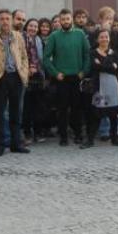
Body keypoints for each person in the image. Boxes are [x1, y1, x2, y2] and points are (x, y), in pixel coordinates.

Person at [0, 9, 30, 156]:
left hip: (16, 77)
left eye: (7, 19)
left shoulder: (18, 37)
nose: (5, 21)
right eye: (2, 19)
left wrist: (24, 72)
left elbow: (24, 57)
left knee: (16, 112)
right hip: (0, 78)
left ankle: (16, 143)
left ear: (11, 20)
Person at [43, 9, 91, 146]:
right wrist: (55, 73)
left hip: (77, 77)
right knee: (62, 109)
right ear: (60, 20)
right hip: (61, 78)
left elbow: (87, 55)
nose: (65, 21)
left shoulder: (80, 34)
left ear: (72, 19)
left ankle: (77, 135)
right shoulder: (54, 36)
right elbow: (46, 58)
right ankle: (63, 136)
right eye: (63, 19)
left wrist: (84, 71)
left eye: (67, 19)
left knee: (77, 108)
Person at [88, 29, 118, 148]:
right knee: (96, 114)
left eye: (106, 37)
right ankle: (90, 140)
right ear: (97, 39)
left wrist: (102, 64)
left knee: (114, 114)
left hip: (113, 87)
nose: (104, 39)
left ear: (109, 39)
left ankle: (114, 138)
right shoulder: (93, 53)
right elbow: (94, 67)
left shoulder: (115, 53)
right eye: (102, 37)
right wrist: (110, 65)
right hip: (100, 87)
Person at [22, 18, 48, 143]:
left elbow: (41, 58)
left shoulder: (38, 40)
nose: (33, 28)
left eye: (35, 27)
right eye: (31, 26)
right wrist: (28, 68)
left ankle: (38, 132)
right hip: (25, 76)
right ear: (26, 26)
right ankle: (27, 133)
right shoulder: (21, 39)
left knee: (39, 106)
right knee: (27, 107)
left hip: (38, 75)